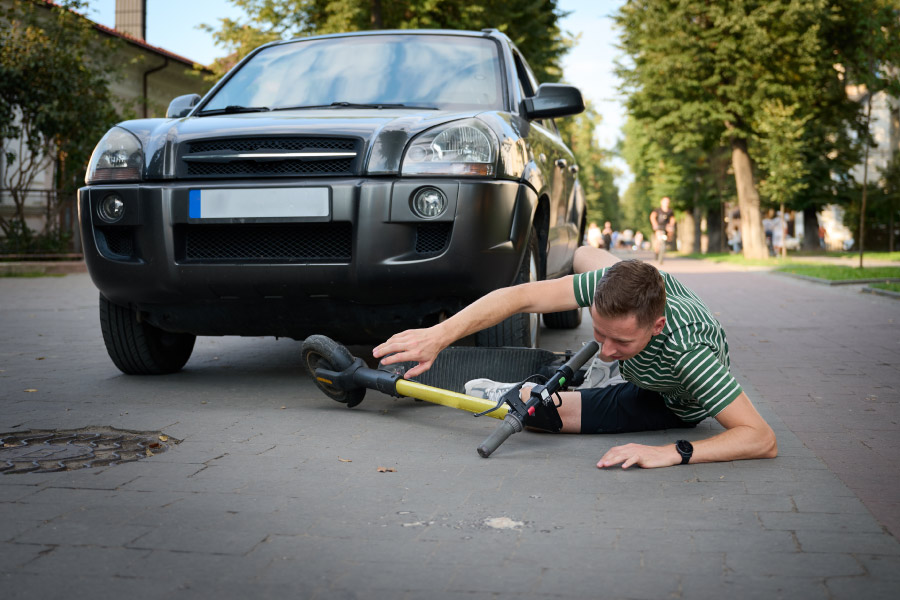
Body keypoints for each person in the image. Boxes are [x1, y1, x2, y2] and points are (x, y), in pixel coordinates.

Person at [373, 247, 778, 469]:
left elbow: (761, 438)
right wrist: (438, 336)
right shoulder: (614, 284)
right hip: (638, 336)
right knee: (584, 252)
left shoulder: (689, 354)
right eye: (598, 333)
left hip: (664, 396)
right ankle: (599, 370)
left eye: (620, 340)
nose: (606, 348)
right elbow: (520, 297)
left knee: (537, 411)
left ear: (656, 326)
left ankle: (577, 382)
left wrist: (672, 452)